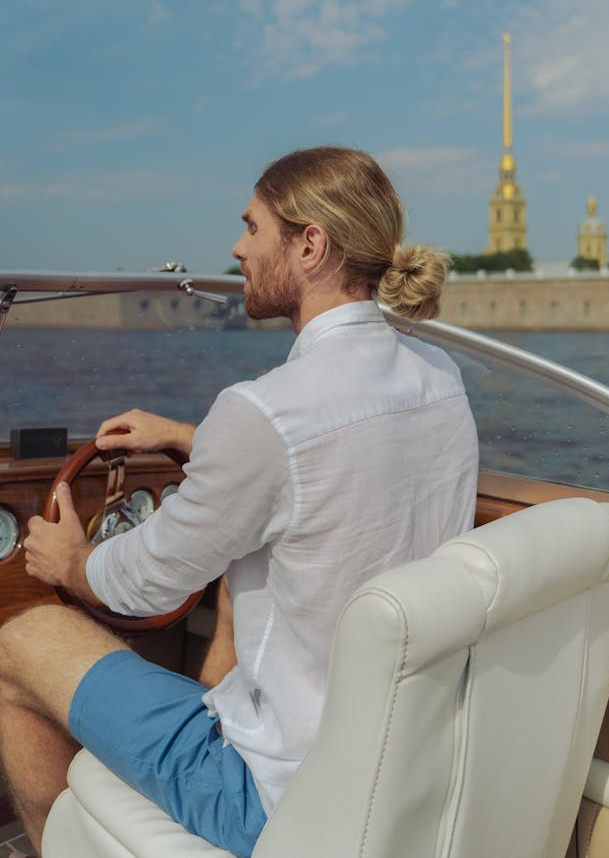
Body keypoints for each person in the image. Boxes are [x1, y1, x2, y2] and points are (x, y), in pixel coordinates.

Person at [0, 146, 478, 857]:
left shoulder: (262, 411)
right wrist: (189, 438)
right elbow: (318, 457)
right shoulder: (441, 376)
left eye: (252, 228)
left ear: (310, 245)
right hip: (397, 761)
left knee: (17, 641)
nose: (236, 248)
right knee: (237, 585)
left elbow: (145, 579)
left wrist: (70, 561)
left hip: (269, 792)